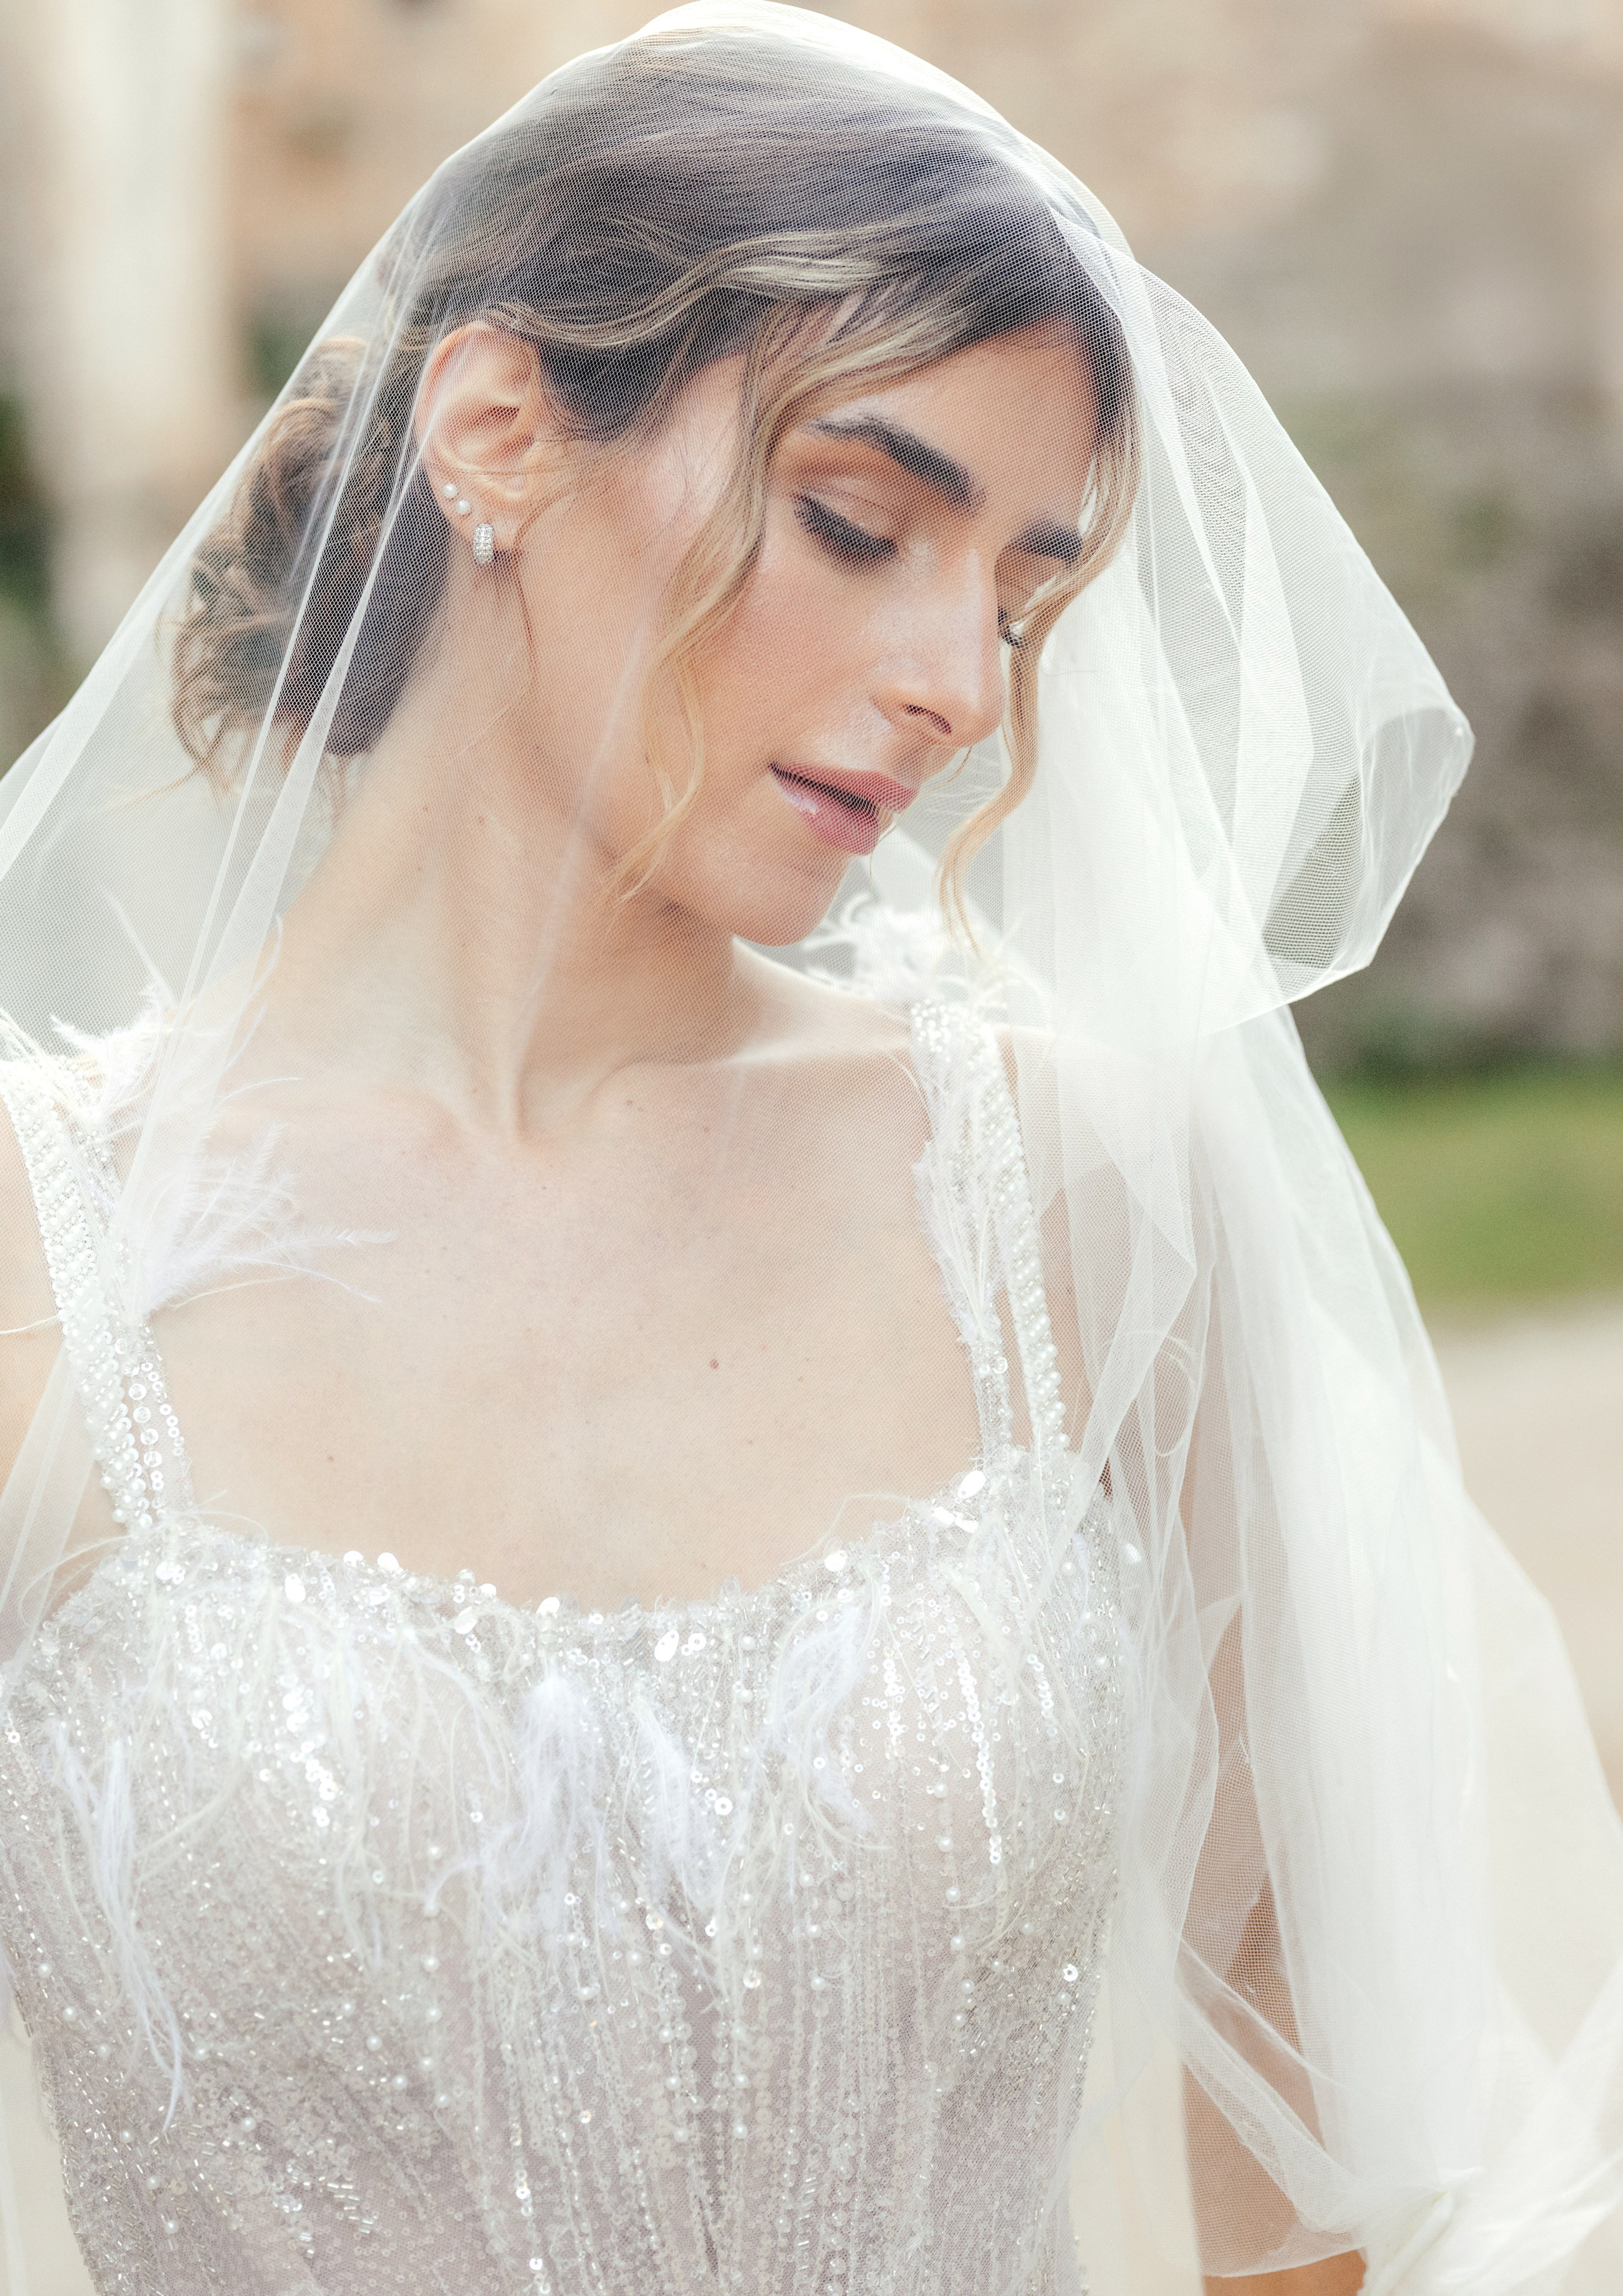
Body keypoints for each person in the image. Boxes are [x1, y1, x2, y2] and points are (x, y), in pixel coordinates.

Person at [0, 6, 1617, 2292]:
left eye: (1026, 593)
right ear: (495, 431)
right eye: (862, 525)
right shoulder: (40, 1259)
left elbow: (1300, 2159)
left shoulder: (1077, 1200)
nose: (964, 677)